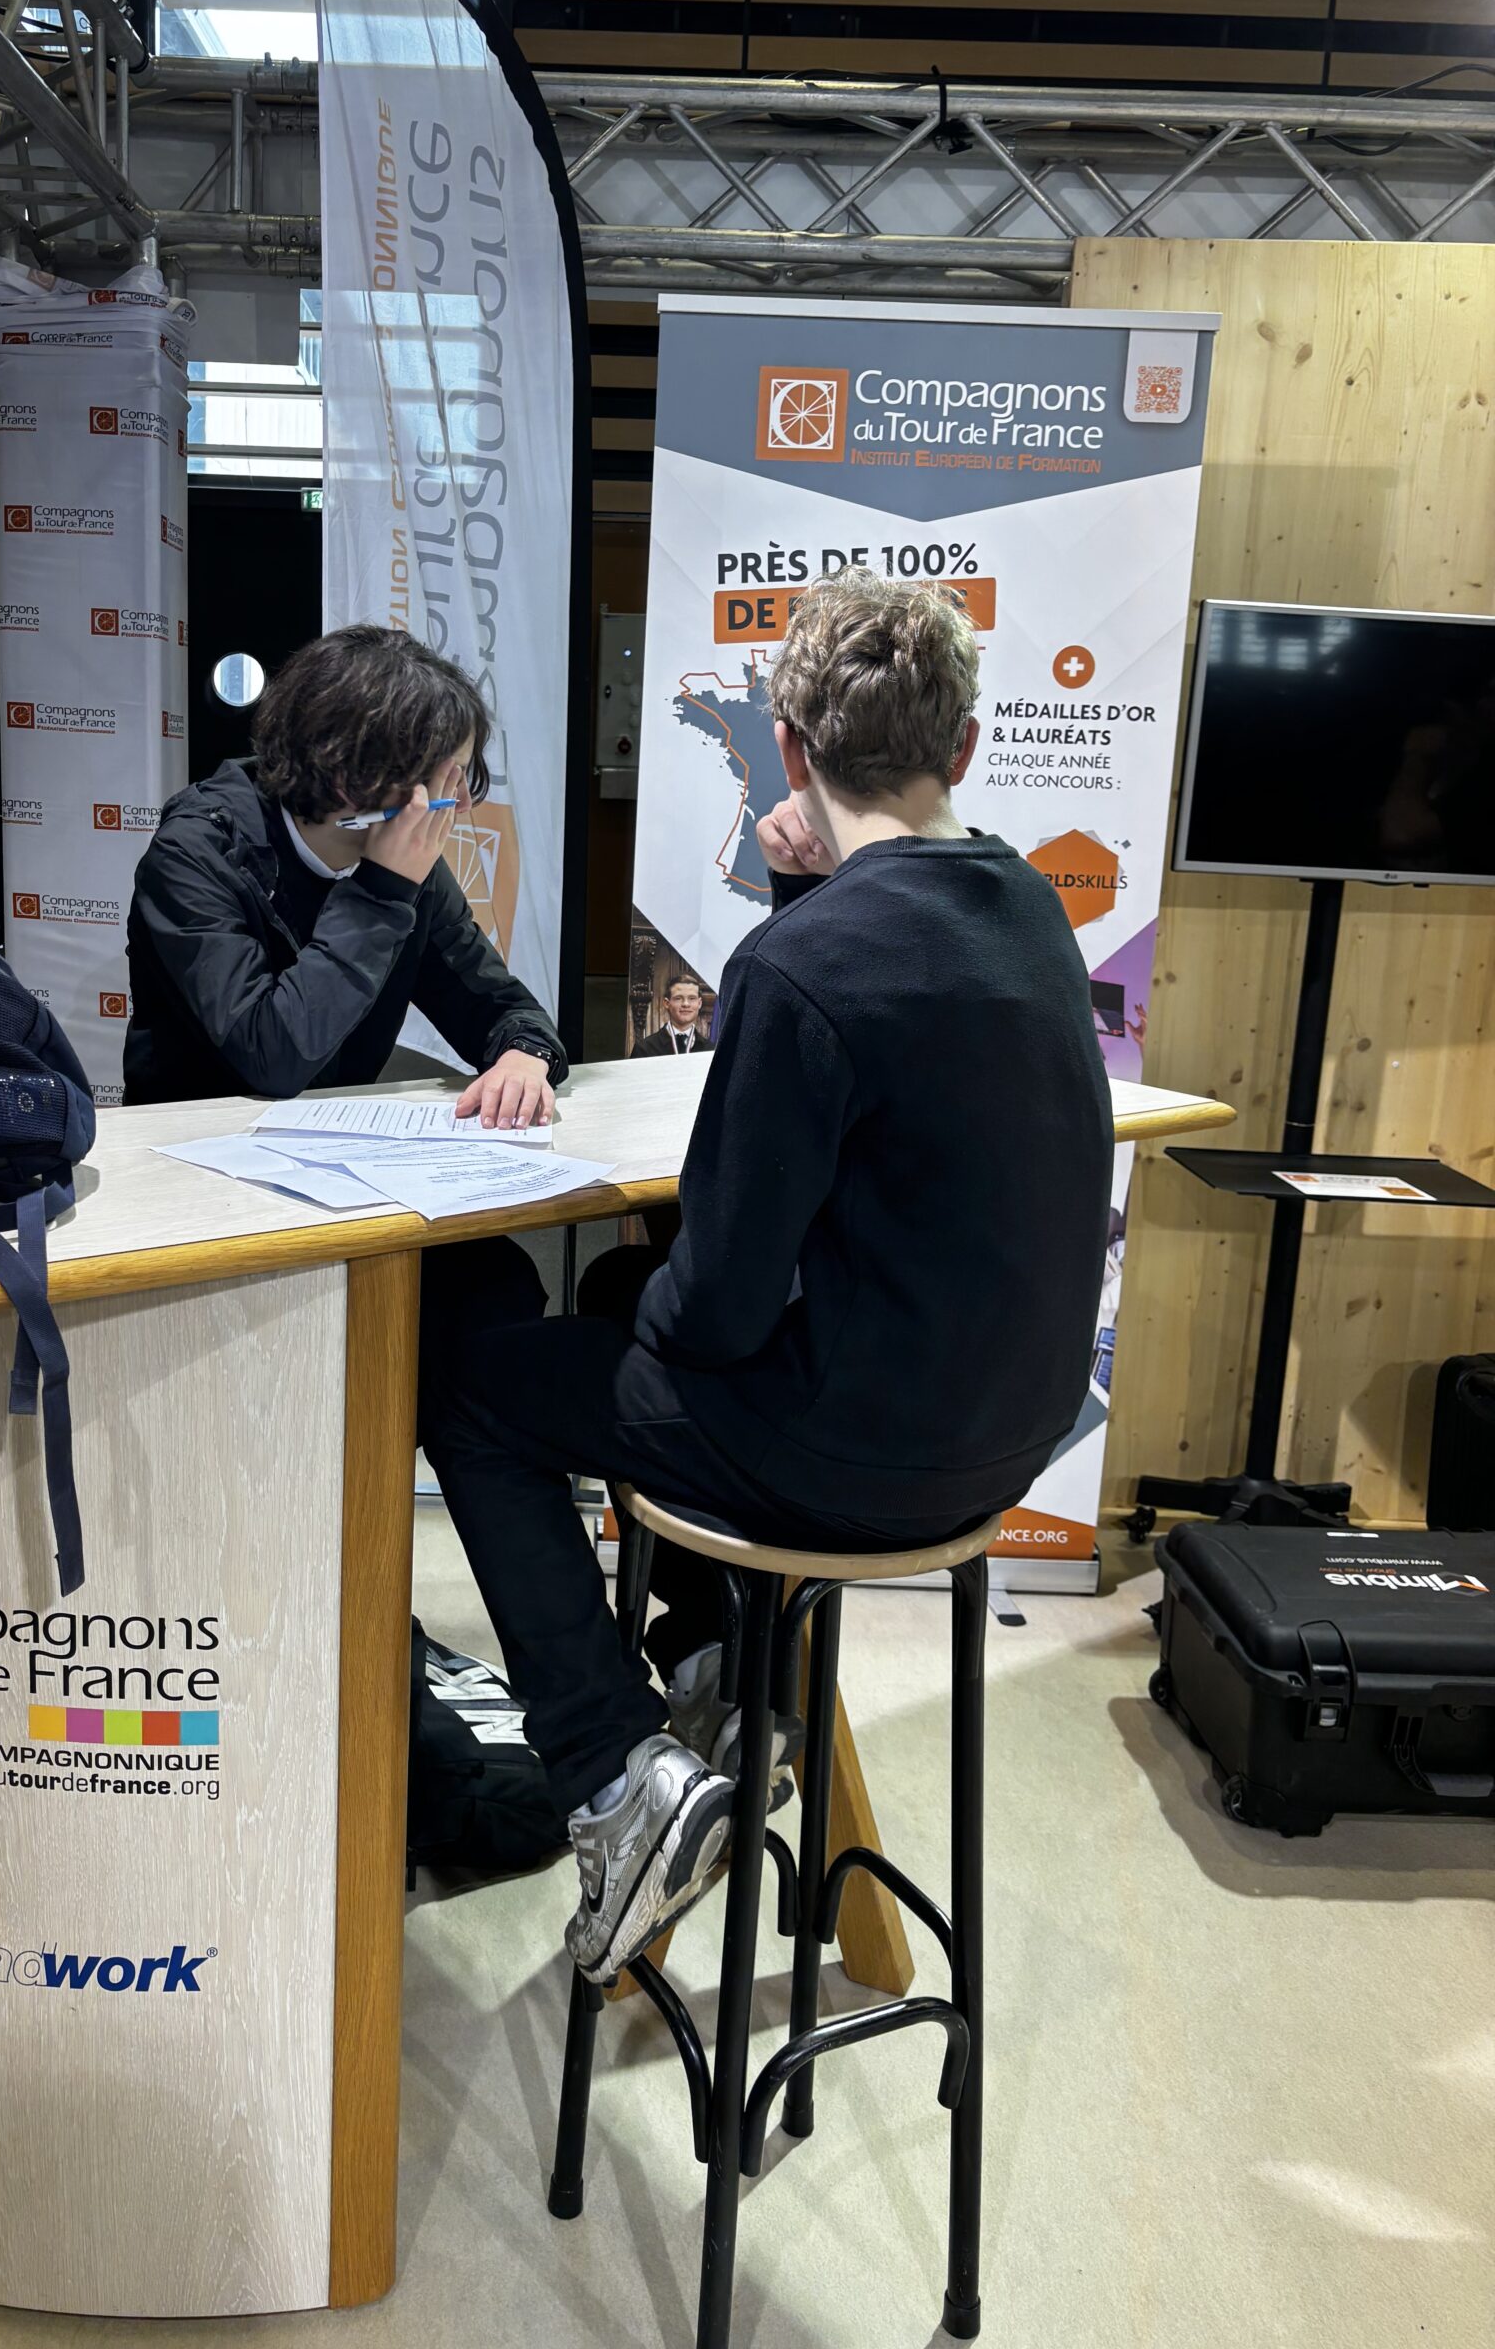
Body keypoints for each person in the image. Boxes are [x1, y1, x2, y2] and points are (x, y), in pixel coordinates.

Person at [420, 568, 1113, 1982]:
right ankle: (727, 1680)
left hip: (861, 1454)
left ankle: (615, 1773)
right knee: (615, 1308)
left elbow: (724, 1303)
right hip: (1011, 1441)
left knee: (478, 1387)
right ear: (966, 747)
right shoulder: (1036, 911)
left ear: (789, 748)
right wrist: (805, 890)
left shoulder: (803, 965)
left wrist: (670, 1314)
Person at [123, 623, 566, 1123]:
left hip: (336, 1139)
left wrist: (524, 1057)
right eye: (446, 778)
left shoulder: (407, 863)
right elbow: (272, 1059)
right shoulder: (196, 854)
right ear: (350, 778)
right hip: (187, 1140)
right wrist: (381, 893)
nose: (460, 802)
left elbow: (499, 1007)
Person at [633, 972, 713, 1058]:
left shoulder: (711, 1051)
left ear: (699, 1003)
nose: (685, 1004)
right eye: (678, 998)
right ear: (667, 1003)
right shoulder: (645, 1048)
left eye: (692, 998)